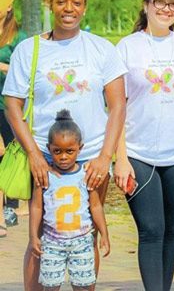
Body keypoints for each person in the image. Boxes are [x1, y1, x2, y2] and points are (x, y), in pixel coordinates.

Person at [3, 0, 126, 290]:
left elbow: (117, 106)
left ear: (85, 5)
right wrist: (34, 155)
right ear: (50, 3)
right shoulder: (28, 50)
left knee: (87, 235)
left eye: (75, 2)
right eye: (61, 2)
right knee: (40, 239)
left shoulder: (102, 50)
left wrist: (105, 158)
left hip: (90, 160)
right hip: (46, 157)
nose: (68, 9)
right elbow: (12, 105)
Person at [114, 0, 174, 291]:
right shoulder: (127, 47)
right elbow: (116, 107)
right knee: (151, 229)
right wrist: (120, 159)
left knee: (172, 229)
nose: (166, 8)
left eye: (172, 3)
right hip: (137, 153)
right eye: (159, 2)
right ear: (146, 5)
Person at [30, 109, 110, 291]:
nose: (63, 156)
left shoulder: (85, 175)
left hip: (81, 241)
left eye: (69, 151)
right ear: (49, 148)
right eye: (57, 151)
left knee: (83, 286)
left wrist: (104, 233)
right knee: (50, 286)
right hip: (52, 242)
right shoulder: (44, 177)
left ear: (80, 148)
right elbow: (36, 208)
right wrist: (33, 235)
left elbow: (96, 206)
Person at [0, 3, 27, 236]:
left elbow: (24, 70)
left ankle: (14, 205)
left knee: (13, 153)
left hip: (9, 106)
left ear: (8, 5)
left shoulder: (18, 37)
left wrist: (2, 67)